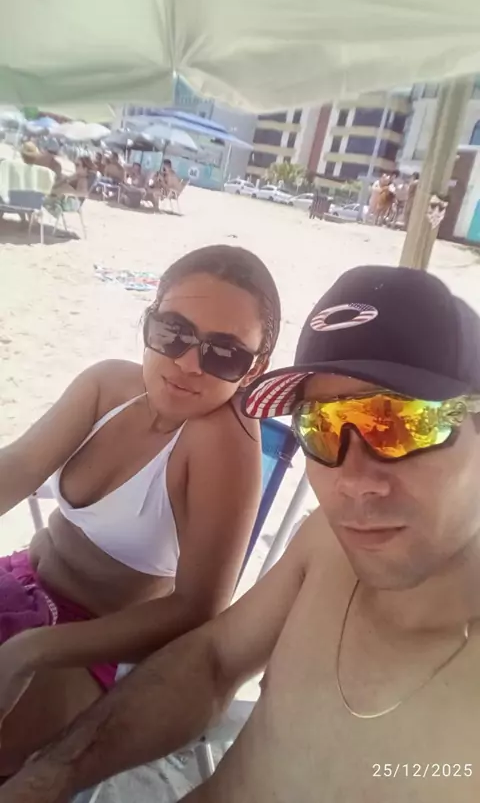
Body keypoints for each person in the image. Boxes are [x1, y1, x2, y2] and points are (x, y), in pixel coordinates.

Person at [4, 264, 480, 803]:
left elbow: (196, 611)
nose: (354, 482)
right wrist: (54, 773)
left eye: (402, 425)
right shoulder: (323, 543)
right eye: (320, 427)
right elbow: (212, 660)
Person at [0, 244, 281, 779]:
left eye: (224, 353)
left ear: (254, 369)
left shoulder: (223, 441)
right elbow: (18, 466)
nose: (188, 364)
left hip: (93, 646)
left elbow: (198, 607)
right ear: (150, 320)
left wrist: (32, 650)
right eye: (174, 332)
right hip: (20, 582)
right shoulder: (108, 385)